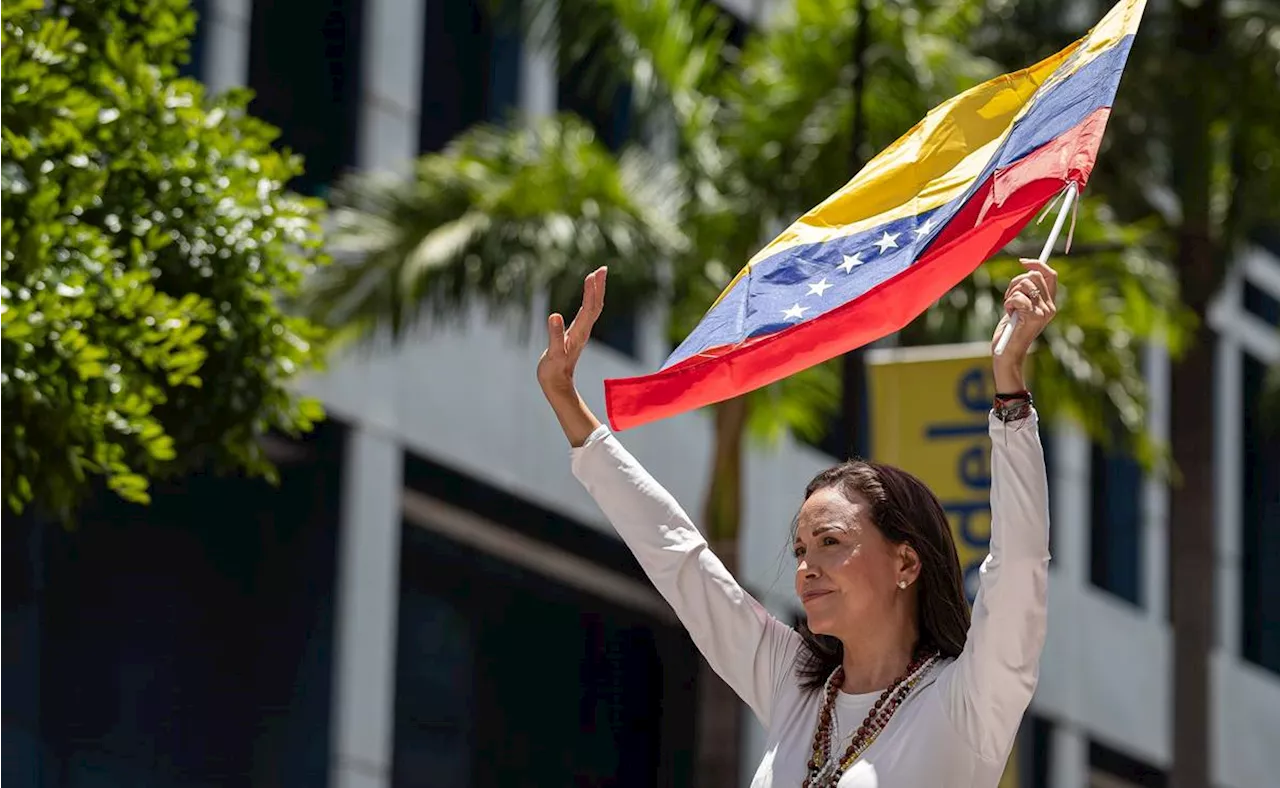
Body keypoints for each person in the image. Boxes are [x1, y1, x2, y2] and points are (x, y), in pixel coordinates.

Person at [537, 261, 1054, 788]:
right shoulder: (796, 686)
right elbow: (680, 558)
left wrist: (1010, 386)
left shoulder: (967, 700)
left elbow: (1018, 567)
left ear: (906, 561)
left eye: (830, 542)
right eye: (802, 549)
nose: (806, 567)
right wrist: (568, 404)